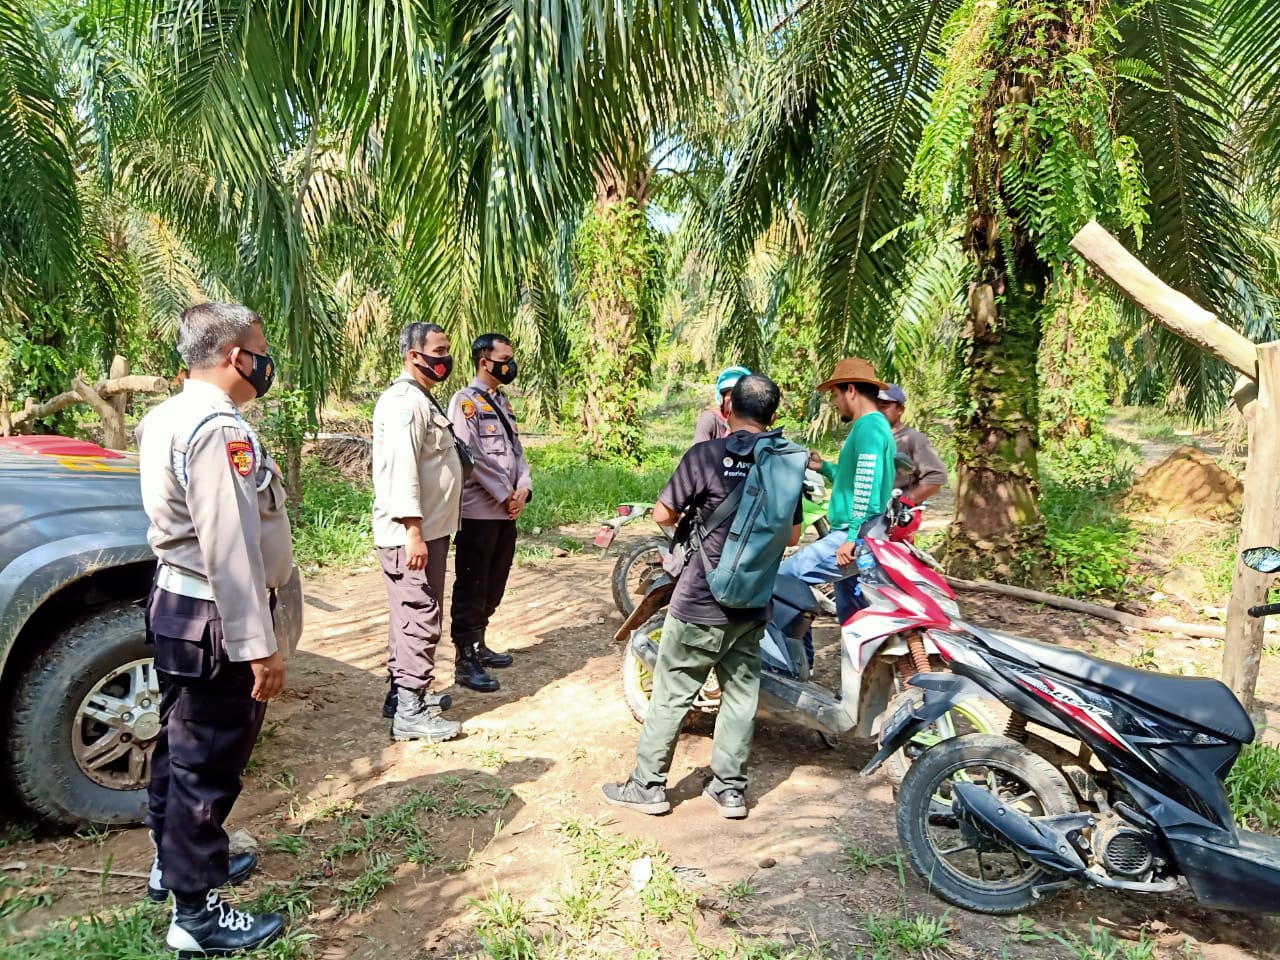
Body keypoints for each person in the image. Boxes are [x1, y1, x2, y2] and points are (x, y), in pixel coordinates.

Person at [136, 302, 294, 955]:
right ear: (236, 356)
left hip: (181, 607)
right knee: (207, 764)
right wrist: (259, 646)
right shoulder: (217, 429)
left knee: (179, 748)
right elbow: (230, 549)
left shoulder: (168, 415)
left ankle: (170, 863)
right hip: (217, 617)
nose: (266, 362)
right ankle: (196, 915)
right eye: (261, 350)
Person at [602, 374, 803, 820]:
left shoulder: (706, 456)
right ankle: (730, 790)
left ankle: (647, 786)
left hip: (700, 600)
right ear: (773, 415)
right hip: (753, 601)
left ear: (728, 409)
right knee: (740, 696)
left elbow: (662, 513)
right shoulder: (785, 465)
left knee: (672, 692)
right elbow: (792, 536)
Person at [372, 322, 464, 742]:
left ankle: (403, 695)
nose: (446, 358)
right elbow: (402, 470)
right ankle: (410, 711)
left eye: (446, 350)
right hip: (412, 535)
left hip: (428, 531)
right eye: (439, 351)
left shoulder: (422, 398)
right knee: (420, 617)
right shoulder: (404, 403)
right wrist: (413, 531)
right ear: (414, 355)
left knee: (410, 614)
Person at [777, 358, 897, 624]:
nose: (834, 402)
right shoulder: (874, 426)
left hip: (854, 534)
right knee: (854, 615)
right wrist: (824, 468)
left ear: (851, 390)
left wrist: (852, 538)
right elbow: (855, 477)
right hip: (864, 532)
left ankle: (796, 650)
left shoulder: (869, 427)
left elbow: (866, 482)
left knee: (784, 578)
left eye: (835, 394)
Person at [447, 333, 532, 693]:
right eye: (504, 359)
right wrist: (503, 494)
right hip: (479, 513)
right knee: (473, 585)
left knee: (495, 583)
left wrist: (524, 489)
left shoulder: (503, 402)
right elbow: (470, 456)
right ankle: (464, 658)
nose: (510, 365)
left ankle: (479, 643)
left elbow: (517, 452)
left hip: (505, 513)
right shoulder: (465, 402)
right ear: (484, 361)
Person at [877, 383, 946, 505]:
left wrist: (901, 502)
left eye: (884, 406)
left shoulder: (913, 438)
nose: (878, 411)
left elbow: (936, 477)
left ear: (900, 410)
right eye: (874, 406)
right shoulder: (869, 437)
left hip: (891, 514)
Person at [693, 365, 751, 444]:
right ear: (722, 398)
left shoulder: (752, 422)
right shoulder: (709, 419)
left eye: (740, 397)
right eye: (731, 396)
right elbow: (699, 449)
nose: (735, 402)